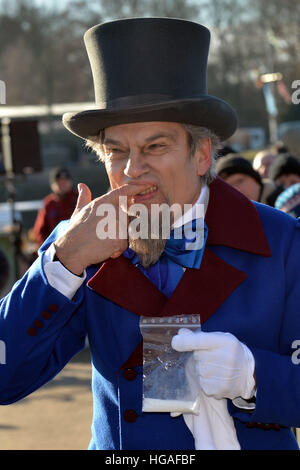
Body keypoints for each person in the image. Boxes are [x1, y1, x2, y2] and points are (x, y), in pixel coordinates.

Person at [0, 18, 300, 451]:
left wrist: (254, 377)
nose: (131, 170)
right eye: (116, 151)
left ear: (200, 155)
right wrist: (61, 264)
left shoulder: (284, 241)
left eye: (155, 147)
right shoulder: (81, 241)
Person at [33, 167, 78, 246]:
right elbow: (39, 232)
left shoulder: (80, 198)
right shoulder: (48, 204)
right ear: (52, 185)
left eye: (65, 181)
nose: (63, 184)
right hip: (56, 250)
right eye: (59, 182)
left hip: (79, 247)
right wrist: (50, 249)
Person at [215, 153, 279, 206]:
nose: (236, 189)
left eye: (240, 181)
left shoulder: (284, 204)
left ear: (256, 179)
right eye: (229, 186)